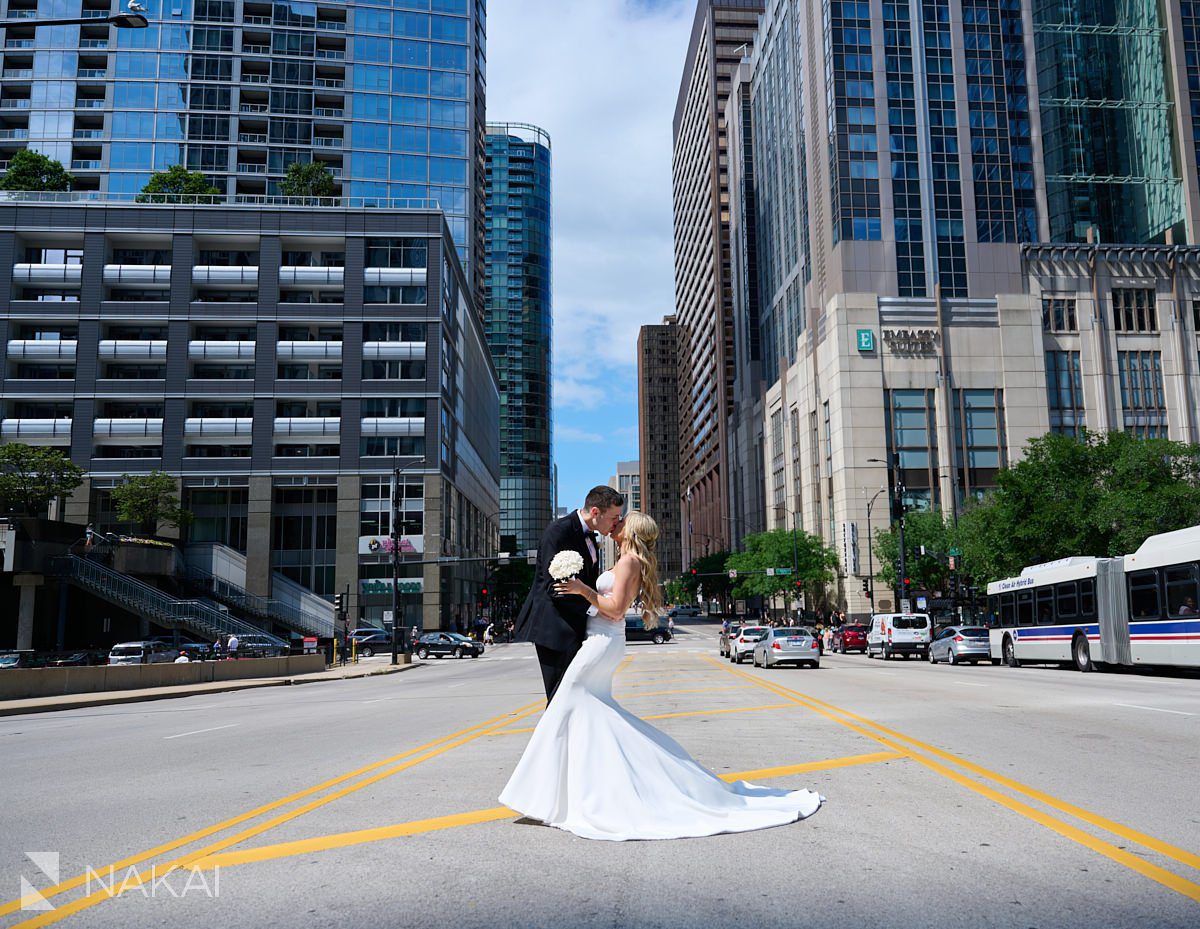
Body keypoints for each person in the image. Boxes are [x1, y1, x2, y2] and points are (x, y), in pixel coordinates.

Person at [499, 511, 822, 841]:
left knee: (569, 706)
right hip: (598, 641)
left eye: (622, 520)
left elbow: (615, 610)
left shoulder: (629, 563)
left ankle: (557, 796)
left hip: (602, 643)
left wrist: (582, 589)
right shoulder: (625, 559)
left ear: (632, 530)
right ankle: (566, 794)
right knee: (585, 713)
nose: (617, 522)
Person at [513, 485, 625, 702]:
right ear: (595, 512)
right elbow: (554, 588)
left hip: (578, 627)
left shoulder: (591, 536)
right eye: (614, 517)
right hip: (555, 629)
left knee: (579, 697)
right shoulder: (559, 532)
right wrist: (597, 610)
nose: (616, 523)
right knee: (560, 699)